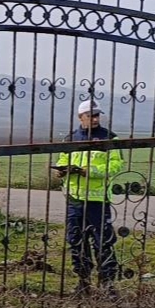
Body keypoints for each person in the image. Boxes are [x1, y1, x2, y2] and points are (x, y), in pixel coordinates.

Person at [56, 99, 123, 296]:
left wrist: (89, 171)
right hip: (74, 198)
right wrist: (61, 170)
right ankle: (83, 281)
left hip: (98, 200)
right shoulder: (71, 139)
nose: (95, 119)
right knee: (76, 240)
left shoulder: (110, 138)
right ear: (81, 117)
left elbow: (116, 165)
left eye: (97, 115)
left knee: (103, 241)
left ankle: (108, 283)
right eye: (90, 115)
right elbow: (62, 159)